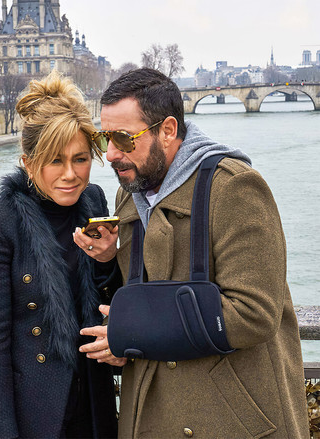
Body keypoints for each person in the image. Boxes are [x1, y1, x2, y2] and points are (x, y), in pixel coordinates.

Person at [78, 68, 306, 438]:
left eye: (123, 138)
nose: (113, 154)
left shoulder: (235, 188)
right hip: (152, 412)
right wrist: (108, 262)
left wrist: (133, 332)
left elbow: (254, 313)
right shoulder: (129, 192)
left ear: (168, 130)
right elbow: (144, 297)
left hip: (230, 416)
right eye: (105, 138)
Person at [0, 71, 118, 438]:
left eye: (80, 159)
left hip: (93, 403)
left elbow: (108, 297)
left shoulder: (94, 201)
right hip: (35, 411)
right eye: (55, 161)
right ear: (28, 162)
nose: (70, 175)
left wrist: (109, 259)